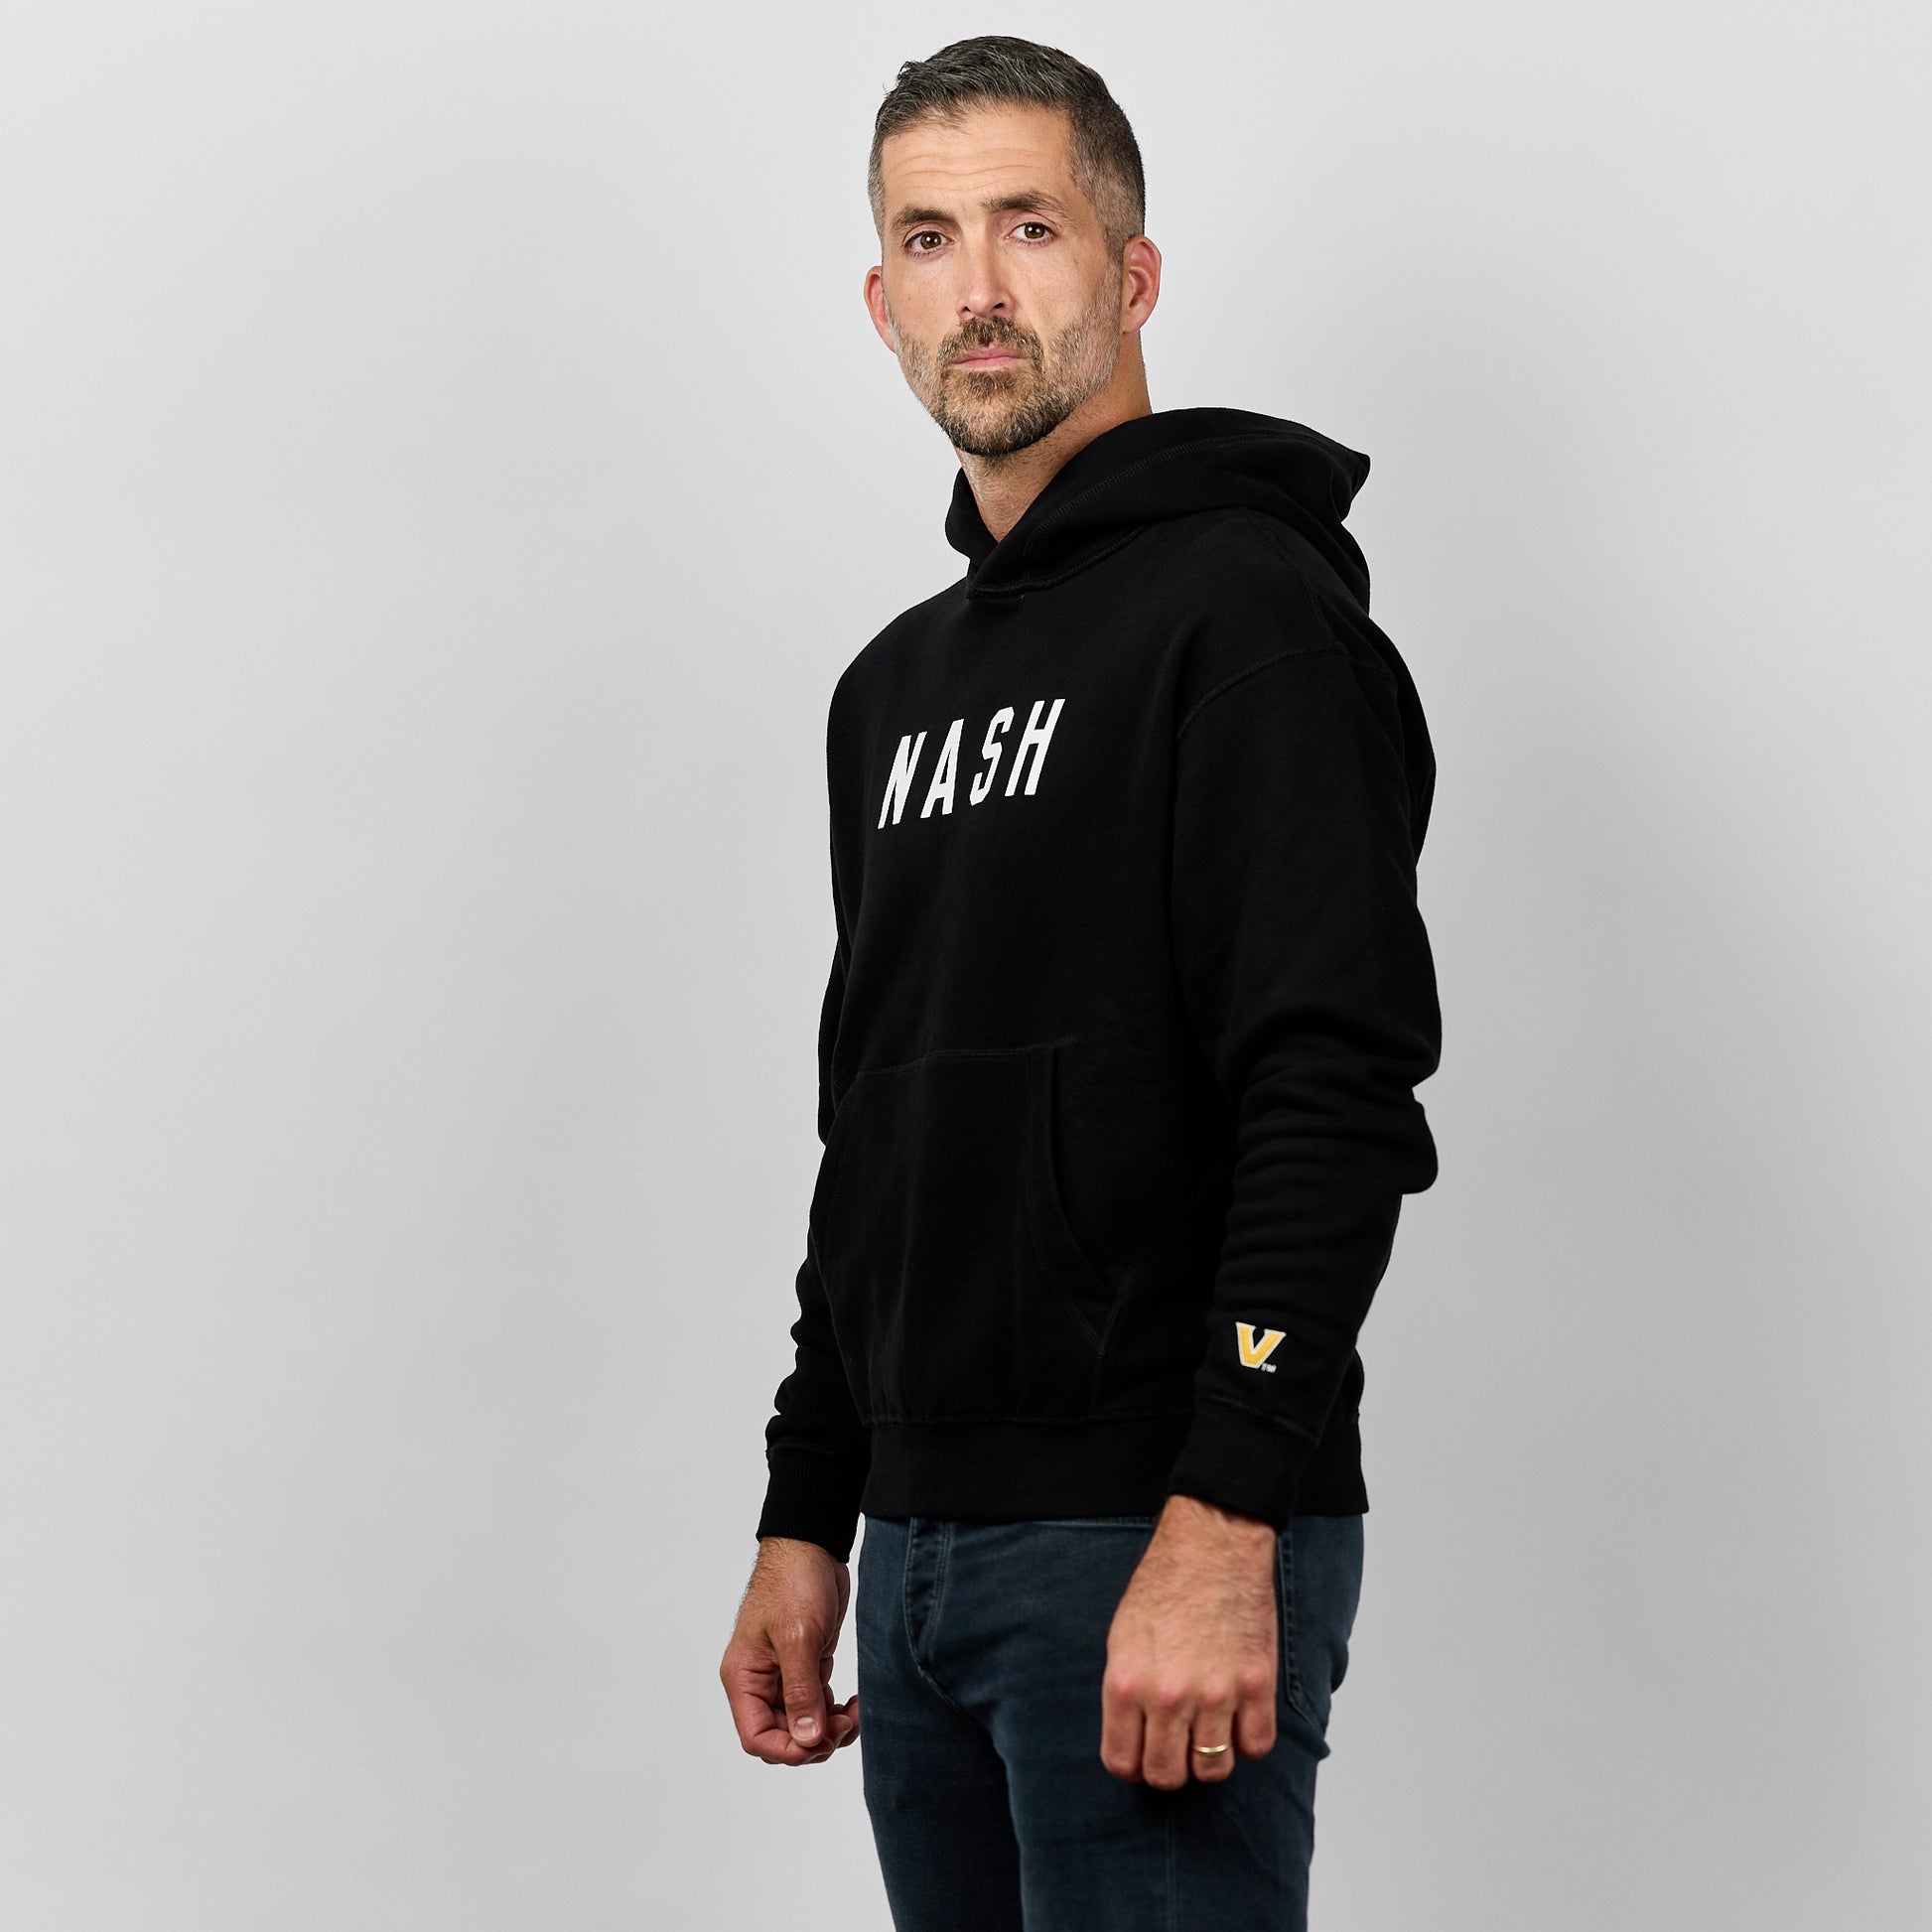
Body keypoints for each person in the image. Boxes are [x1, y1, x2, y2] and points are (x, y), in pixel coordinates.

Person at [718, 35, 1442, 1931]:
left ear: (1130, 272)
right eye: (928, 238)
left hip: (1148, 1524)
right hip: (916, 1545)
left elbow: (1333, 1086)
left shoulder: (1250, 617)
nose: (978, 287)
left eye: (1027, 227)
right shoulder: (888, 693)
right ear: (879, 299)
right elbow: (875, 1131)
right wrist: (810, 1507)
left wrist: (1226, 1508)